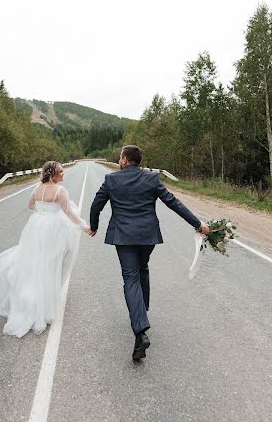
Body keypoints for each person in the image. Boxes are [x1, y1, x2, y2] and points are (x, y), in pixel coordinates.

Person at [88, 145, 209, 362]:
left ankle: (140, 330)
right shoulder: (152, 179)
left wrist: (94, 226)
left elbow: (96, 205)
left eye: (120, 158)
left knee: (130, 278)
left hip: (124, 237)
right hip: (147, 236)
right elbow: (174, 203)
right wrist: (197, 223)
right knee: (142, 269)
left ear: (125, 160)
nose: (119, 160)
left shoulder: (111, 180)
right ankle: (141, 311)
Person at [0, 161, 89, 337]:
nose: (63, 174)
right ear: (53, 174)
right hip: (53, 229)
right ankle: (43, 305)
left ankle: (28, 301)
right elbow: (69, 213)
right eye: (61, 172)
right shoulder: (60, 191)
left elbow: (31, 206)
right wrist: (84, 226)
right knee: (49, 264)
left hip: (36, 226)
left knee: (33, 262)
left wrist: (42, 213)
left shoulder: (37, 188)